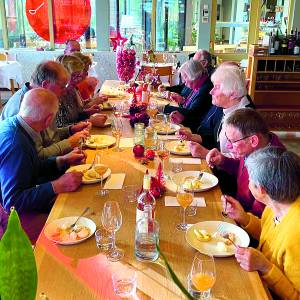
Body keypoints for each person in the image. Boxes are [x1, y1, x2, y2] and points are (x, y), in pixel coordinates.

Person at [0, 88, 85, 242]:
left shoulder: (18, 125)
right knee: (73, 223)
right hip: (13, 216)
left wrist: (62, 160)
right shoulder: (16, 144)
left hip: (25, 192)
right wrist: (56, 186)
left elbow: (29, 166)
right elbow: (12, 201)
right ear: (48, 120)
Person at [223, 147, 300, 299]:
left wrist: (265, 267)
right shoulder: (278, 202)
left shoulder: (296, 235)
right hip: (257, 276)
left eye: (251, 179)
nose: (249, 181)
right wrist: (243, 217)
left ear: (261, 190)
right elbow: (271, 237)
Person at [0, 61, 90, 159]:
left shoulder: (42, 99)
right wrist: (69, 143)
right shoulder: (22, 108)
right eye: (62, 87)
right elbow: (36, 158)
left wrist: (70, 130)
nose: (65, 92)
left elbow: (48, 136)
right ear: (46, 84)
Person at [206, 108, 285, 217]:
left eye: (232, 141)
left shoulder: (274, 169)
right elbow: (243, 171)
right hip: (238, 205)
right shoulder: (258, 147)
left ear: (253, 140)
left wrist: (238, 216)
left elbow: (259, 217)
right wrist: (223, 161)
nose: (228, 146)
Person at [178, 64, 254, 158]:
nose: (211, 92)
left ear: (233, 93)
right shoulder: (228, 107)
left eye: (217, 87)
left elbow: (242, 162)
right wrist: (192, 137)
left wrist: (206, 153)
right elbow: (216, 139)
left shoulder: (246, 119)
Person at [56, 54, 106, 127]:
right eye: (74, 76)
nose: (78, 79)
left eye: (78, 75)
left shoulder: (72, 89)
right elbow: (60, 127)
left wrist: (87, 113)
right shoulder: (58, 95)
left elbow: (76, 115)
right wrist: (88, 121)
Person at [163, 59, 213, 131]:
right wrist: (182, 100)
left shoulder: (205, 89)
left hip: (193, 128)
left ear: (194, 75)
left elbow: (192, 113)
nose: (184, 81)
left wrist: (163, 108)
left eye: (185, 77)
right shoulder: (197, 82)